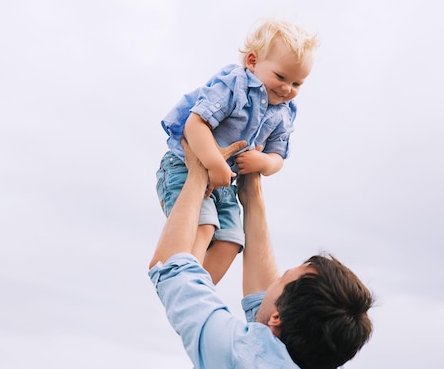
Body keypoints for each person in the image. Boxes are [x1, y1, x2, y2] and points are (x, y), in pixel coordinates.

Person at [149, 139, 374, 369]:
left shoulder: (239, 355)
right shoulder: (309, 353)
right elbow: (269, 317)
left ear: (277, 318)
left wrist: (197, 173)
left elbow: (171, 268)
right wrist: (252, 194)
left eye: (281, 278)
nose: (272, 283)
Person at [156, 19, 319, 284]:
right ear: (253, 61)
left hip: (225, 186)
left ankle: (199, 293)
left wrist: (263, 162)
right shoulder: (234, 84)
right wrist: (214, 164)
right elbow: (195, 123)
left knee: (232, 240)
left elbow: (278, 157)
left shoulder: (285, 113)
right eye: (280, 77)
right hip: (184, 166)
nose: (288, 89)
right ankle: (180, 282)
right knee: (205, 225)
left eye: (297, 84)